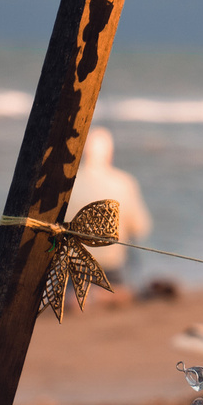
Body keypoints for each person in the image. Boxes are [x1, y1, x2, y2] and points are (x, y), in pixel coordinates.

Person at [64, 127, 152, 296]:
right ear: (110, 154)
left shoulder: (67, 185)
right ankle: (109, 295)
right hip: (111, 268)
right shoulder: (125, 183)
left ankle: (82, 296)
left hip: (73, 267)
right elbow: (140, 228)